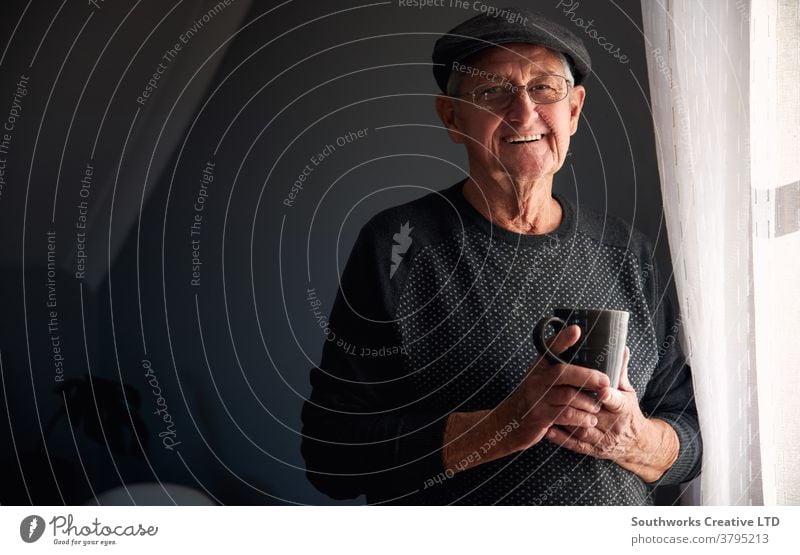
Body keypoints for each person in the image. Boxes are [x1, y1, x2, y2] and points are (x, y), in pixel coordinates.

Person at [301, 7, 701, 505]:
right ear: (452, 117)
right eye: (492, 91)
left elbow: (691, 437)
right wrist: (506, 424)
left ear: (573, 111)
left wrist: (634, 438)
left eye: (544, 89)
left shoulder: (628, 252)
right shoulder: (400, 245)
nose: (524, 112)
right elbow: (330, 453)